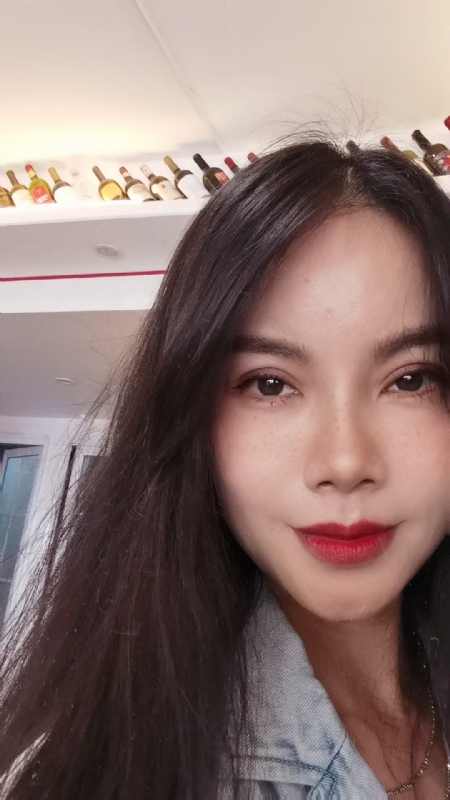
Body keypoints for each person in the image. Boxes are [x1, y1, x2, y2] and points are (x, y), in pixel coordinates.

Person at [1, 136, 450, 799]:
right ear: (191, 416)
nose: (345, 462)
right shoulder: (97, 775)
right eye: (269, 384)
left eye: (410, 379)